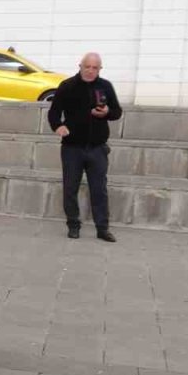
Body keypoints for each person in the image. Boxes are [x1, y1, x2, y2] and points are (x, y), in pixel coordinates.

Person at [47, 53, 123, 242]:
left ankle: (102, 228)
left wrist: (106, 113)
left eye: (94, 68)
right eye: (87, 66)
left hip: (97, 148)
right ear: (80, 66)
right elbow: (54, 112)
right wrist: (58, 126)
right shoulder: (67, 86)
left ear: (100, 69)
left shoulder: (105, 86)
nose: (90, 71)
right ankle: (73, 224)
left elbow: (117, 112)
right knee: (70, 188)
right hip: (72, 148)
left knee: (99, 189)